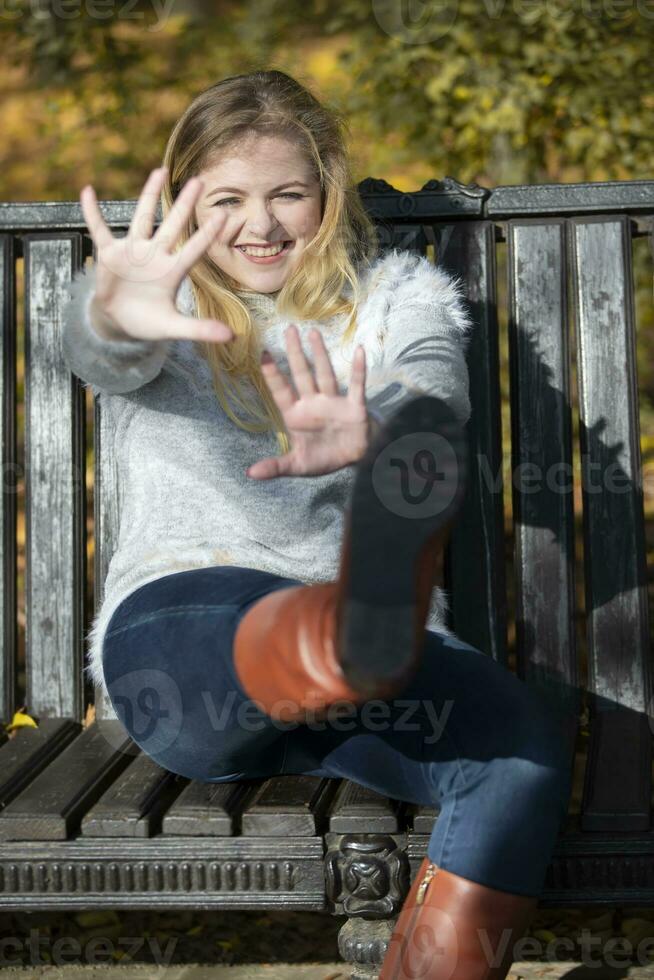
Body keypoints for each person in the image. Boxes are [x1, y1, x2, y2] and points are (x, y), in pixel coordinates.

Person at [62, 69, 574, 979]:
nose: (260, 226)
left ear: (327, 194)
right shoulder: (162, 304)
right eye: (228, 201)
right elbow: (99, 346)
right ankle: (347, 637)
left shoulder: (395, 295)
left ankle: (356, 638)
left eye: (286, 195)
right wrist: (112, 309)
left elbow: (430, 388)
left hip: (370, 661)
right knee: (276, 625)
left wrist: (381, 427)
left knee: (521, 748)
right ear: (188, 203)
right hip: (184, 644)